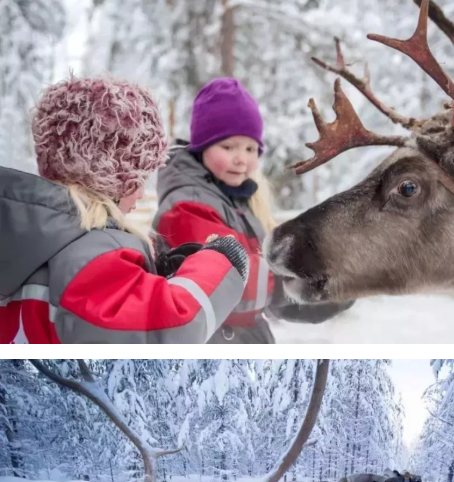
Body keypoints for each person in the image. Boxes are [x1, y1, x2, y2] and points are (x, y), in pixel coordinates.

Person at [0, 76, 250, 343]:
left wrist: (152, 278)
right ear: (111, 177)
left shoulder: (35, 243)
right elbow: (174, 326)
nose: (142, 193)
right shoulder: (89, 255)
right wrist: (222, 262)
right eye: (138, 179)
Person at [153, 77, 352, 343]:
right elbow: (225, 283)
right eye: (228, 146)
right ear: (202, 147)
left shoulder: (238, 201)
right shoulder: (188, 206)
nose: (241, 158)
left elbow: (267, 294)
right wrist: (296, 276)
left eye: (250, 148)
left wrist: (335, 288)